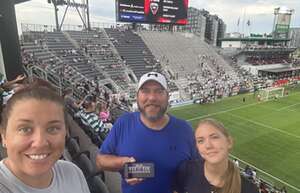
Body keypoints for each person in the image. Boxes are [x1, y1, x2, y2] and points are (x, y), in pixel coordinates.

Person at [96, 72, 198, 193]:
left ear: (168, 96)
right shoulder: (123, 123)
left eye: (159, 91)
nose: (152, 97)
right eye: (145, 91)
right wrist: (121, 163)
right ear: (137, 96)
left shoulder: (184, 129)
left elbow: (200, 170)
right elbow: (100, 160)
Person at [0, 84, 90, 193]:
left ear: (65, 133)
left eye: (52, 129)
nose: (40, 143)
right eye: (25, 129)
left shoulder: (73, 172)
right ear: (4, 135)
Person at [175, 118, 259, 193]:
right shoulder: (186, 170)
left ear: (229, 142)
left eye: (214, 137)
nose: (208, 145)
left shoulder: (249, 189)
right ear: (197, 147)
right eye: (201, 141)